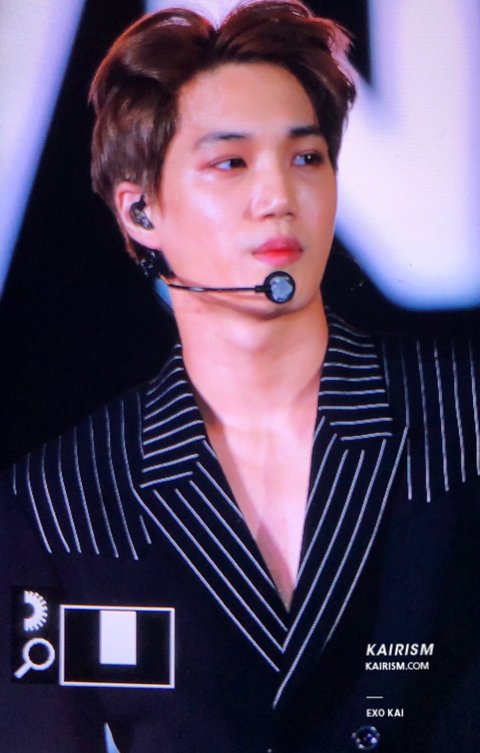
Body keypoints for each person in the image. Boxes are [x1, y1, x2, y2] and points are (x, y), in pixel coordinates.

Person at [2, 2, 480, 751]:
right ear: (141, 211)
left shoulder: (462, 418)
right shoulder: (60, 501)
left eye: (306, 157)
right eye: (231, 163)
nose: (279, 197)